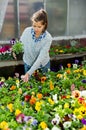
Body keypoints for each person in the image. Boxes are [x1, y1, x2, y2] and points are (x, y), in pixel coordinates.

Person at [20, 9, 52, 82]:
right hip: (28, 63)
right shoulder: (27, 31)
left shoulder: (48, 38)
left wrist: (28, 73)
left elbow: (40, 58)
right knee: (30, 88)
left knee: (45, 88)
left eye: (39, 27)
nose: (36, 29)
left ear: (45, 25)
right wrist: (15, 50)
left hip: (42, 66)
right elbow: (20, 44)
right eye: (34, 26)